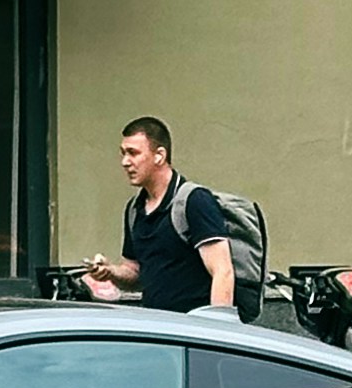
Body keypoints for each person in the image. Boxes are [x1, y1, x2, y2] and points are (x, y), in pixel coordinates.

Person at [84, 117, 237, 317]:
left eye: (133, 153)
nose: (125, 162)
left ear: (159, 156)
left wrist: (218, 333)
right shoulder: (134, 209)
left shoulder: (194, 201)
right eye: (123, 154)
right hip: (160, 333)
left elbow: (223, 272)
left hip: (195, 334)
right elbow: (134, 272)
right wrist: (109, 272)